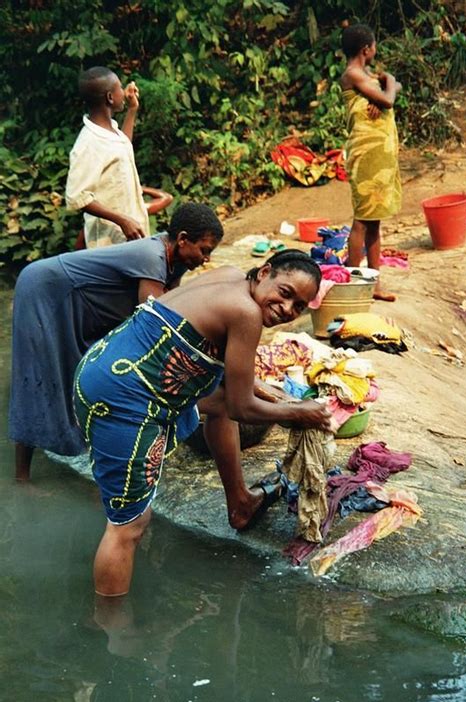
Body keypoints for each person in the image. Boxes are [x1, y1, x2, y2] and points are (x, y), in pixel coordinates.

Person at [73, 249, 336, 597]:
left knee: (219, 405)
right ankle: (112, 631)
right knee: (130, 525)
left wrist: (269, 392)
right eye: (285, 293)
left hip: (103, 368)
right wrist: (302, 412)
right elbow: (243, 407)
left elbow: (228, 386)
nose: (287, 309)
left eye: (299, 306)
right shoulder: (246, 313)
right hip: (124, 396)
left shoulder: (229, 275)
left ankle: (240, 504)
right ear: (265, 273)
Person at [9, 203, 223, 481]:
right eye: (204, 250)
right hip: (45, 291)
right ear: (183, 239)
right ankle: (21, 479)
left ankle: (91, 448)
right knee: (38, 379)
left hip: (81, 303)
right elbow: (157, 325)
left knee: (84, 373)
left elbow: (177, 315)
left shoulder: (176, 262)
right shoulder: (152, 256)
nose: (206, 258)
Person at [66, 66, 173, 248]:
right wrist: (122, 220)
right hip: (109, 243)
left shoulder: (111, 132)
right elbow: (77, 197)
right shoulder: (89, 143)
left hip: (131, 237)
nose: (124, 93)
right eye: (119, 88)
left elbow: (123, 148)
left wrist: (132, 110)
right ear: (109, 97)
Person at [340, 24, 402, 301]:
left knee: (374, 220)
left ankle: (373, 283)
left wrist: (386, 85)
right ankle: (355, 286)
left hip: (379, 154)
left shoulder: (365, 76)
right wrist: (386, 87)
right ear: (367, 49)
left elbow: (390, 90)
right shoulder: (354, 74)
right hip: (366, 153)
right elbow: (389, 99)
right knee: (362, 220)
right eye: (374, 45)